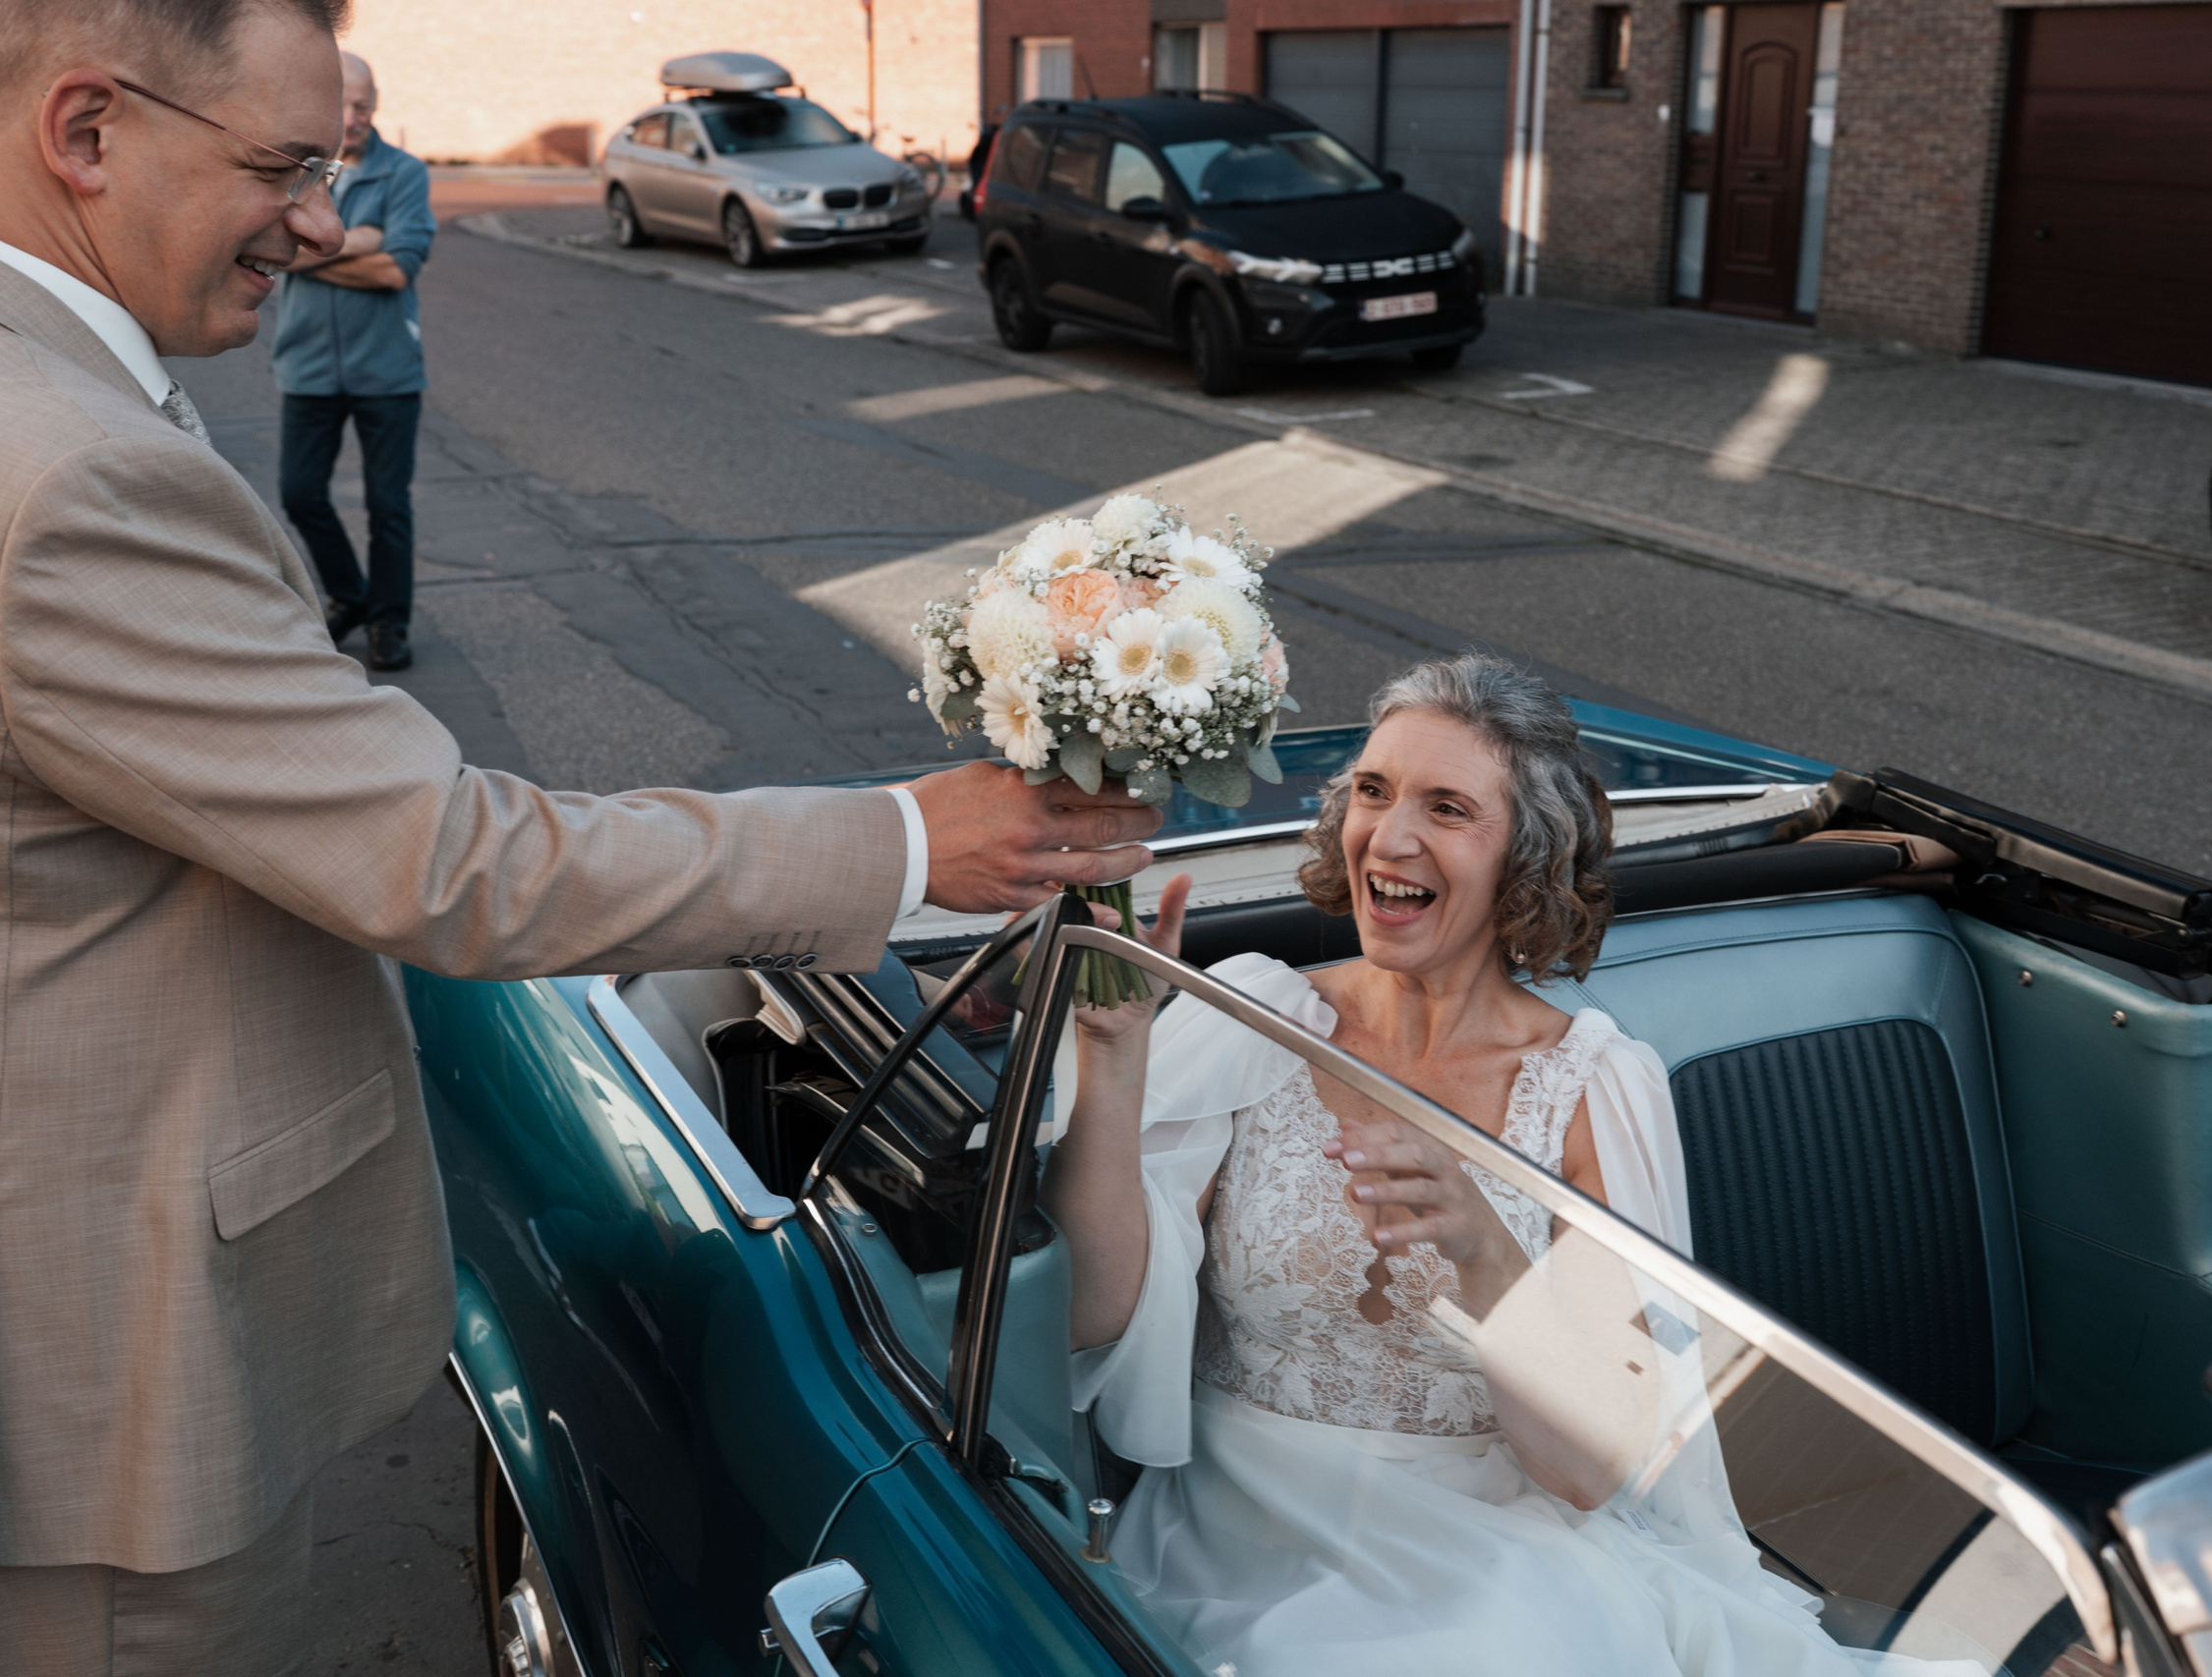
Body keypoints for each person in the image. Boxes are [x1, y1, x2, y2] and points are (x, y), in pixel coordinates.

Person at [0, 2, 1159, 1668]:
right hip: (114, 1399)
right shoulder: (64, 473)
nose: (319, 224)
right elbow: (449, 858)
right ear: (88, 131)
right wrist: (910, 844)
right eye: (284, 166)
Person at [1046, 658, 1973, 1677]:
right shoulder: (1251, 1014)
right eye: (1372, 791)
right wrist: (1112, 1056)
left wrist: (1485, 1250)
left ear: (1525, 856)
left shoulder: (1591, 1086)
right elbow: (1092, 1314)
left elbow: (1589, 1471)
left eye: (1447, 808)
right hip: (1235, 1534)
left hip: (1490, 1545)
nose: (1388, 837)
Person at [270, 48, 428, 671]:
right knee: (300, 494)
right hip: (307, 365)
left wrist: (311, 255)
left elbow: (396, 271)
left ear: (376, 105)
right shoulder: (299, 173)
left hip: (388, 371)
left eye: (364, 104)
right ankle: (351, 594)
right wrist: (360, 239)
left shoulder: (405, 173)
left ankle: (389, 620)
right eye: (344, 104)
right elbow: (271, 250)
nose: (354, 116)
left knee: (389, 506)